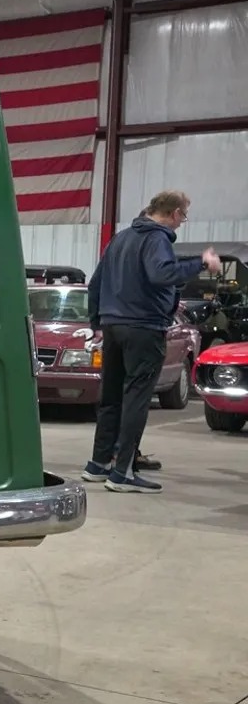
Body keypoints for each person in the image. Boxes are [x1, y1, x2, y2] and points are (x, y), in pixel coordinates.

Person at [84, 190, 220, 491]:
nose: (182, 222)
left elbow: (95, 283)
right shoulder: (157, 239)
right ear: (173, 214)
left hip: (113, 326)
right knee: (137, 397)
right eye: (183, 216)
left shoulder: (120, 239)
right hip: (143, 328)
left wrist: (97, 323)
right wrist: (202, 263)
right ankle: (123, 473)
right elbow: (162, 274)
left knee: (111, 397)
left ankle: (99, 464)